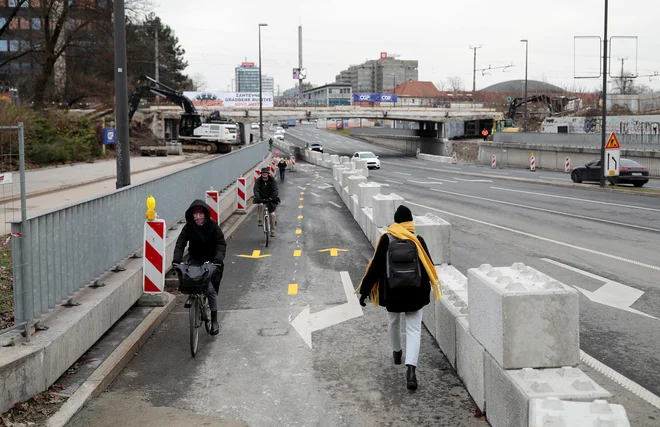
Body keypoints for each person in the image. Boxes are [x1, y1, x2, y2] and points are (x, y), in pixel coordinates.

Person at [356, 205, 441, 391]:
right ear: (410, 222)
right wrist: (427, 292)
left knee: (393, 322)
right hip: (415, 294)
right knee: (413, 330)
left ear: (396, 221)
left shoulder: (386, 238)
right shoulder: (417, 240)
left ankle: (397, 352)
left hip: (393, 293)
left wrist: (365, 291)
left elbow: (376, 266)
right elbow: (428, 268)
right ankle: (411, 370)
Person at [173, 200, 227, 336]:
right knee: (191, 281)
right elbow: (180, 243)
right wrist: (176, 261)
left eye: (200, 214)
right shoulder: (188, 227)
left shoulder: (213, 226)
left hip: (212, 261)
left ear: (205, 215)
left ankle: (214, 320)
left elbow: (221, 244)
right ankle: (195, 301)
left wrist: (218, 260)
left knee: (210, 290)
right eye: (195, 215)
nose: (198, 217)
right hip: (195, 260)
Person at [254, 167, 279, 237]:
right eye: (263, 173)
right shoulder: (258, 181)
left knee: (272, 215)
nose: (264, 174)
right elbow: (256, 189)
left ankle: (273, 231)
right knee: (260, 205)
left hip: (271, 199)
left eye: (266, 173)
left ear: (268, 174)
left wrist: (273, 197)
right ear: (261, 174)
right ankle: (260, 220)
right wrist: (258, 197)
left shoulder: (272, 180)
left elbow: (275, 189)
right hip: (262, 198)